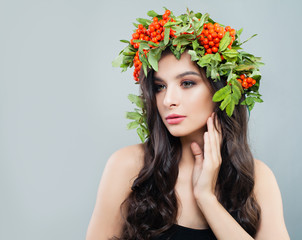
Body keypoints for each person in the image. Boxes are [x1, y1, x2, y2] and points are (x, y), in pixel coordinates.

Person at [86, 9, 290, 240]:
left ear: (223, 89)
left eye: (187, 83)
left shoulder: (257, 177)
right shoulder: (129, 166)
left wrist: (206, 199)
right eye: (159, 87)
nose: (168, 100)